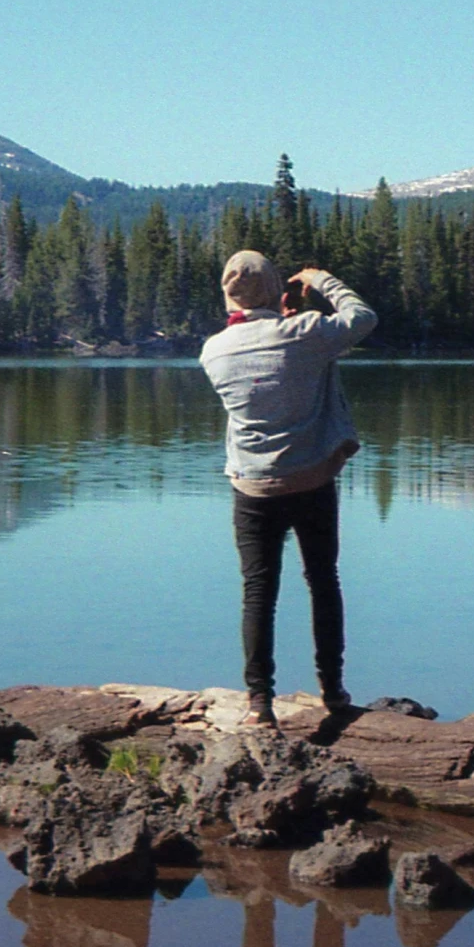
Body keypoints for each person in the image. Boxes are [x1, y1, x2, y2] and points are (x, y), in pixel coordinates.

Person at [198, 249, 376, 727]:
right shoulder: (306, 332)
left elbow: (266, 367)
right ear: (276, 287)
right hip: (311, 480)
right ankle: (333, 691)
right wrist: (320, 279)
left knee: (258, 591)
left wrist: (283, 317)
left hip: (252, 488)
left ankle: (260, 702)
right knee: (322, 582)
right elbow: (362, 317)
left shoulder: (212, 350)